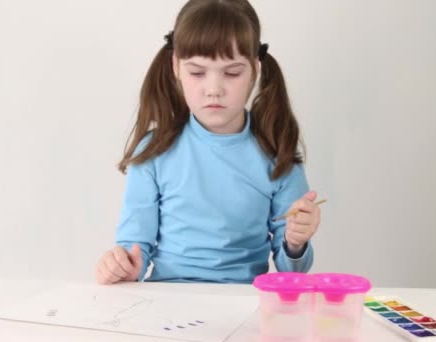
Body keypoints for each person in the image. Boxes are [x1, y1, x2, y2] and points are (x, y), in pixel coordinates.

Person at [96, 0, 321, 284]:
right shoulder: (154, 152)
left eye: (231, 73)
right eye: (198, 72)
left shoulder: (278, 155)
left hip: (242, 308)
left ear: (255, 68)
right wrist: (124, 268)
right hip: (165, 306)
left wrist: (296, 242)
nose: (214, 89)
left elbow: (293, 273)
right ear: (176, 66)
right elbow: (134, 249)